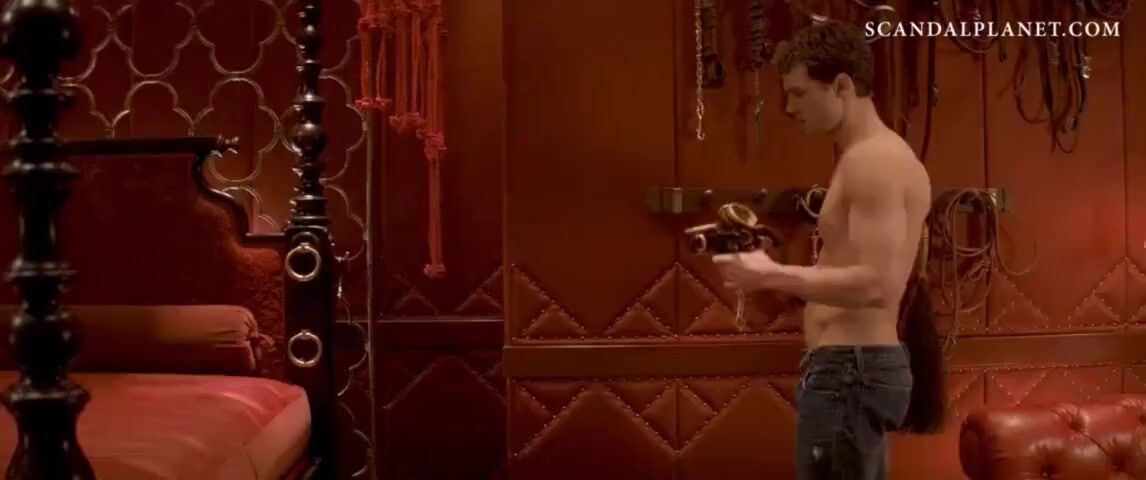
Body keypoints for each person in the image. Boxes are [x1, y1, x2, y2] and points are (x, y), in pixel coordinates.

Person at [711, 21, 945, 480]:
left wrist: (770, 274)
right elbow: (861, 273)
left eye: (799, 93)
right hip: (846, 372)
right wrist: (779, 280)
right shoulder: (865, 159)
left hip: (849, 374)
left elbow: (877, 286)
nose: (789, 107)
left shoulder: (874, 161)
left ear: (841, 86)